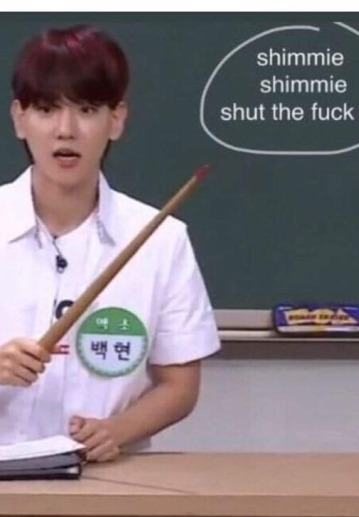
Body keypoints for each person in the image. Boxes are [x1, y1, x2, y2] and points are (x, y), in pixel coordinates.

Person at [0, 24, 220, 461]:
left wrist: (117, 431)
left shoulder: (160, 239)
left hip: (106, 479)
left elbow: (180, 385)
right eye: (46, 109)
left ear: (115, 119)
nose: (65, 130)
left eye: (86, 109)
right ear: (19, 119)